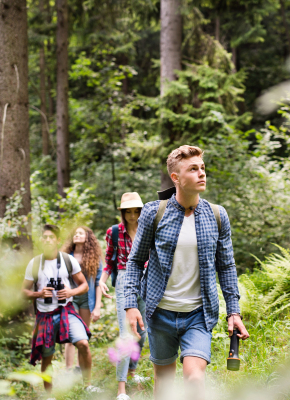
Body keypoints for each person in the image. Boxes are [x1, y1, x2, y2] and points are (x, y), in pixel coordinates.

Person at [124, 145, 250, 400]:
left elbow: (226, 266)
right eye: (193, 169)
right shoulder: (153, 212)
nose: (201, 173)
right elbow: (135, 261)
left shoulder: (216, 215)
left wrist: (233, 311)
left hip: (198, 315)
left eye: (202, 167)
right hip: (160, 313)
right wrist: (130, 305)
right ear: (176, 178)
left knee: (194, 379)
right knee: (165, 384)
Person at [22, 224, 98, 394]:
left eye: (51, 237)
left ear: (57, 240)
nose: (48, 240)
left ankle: (88, 386)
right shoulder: (34, 263)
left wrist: (70, 291)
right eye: (45, 237)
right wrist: (39, 294)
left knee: (84, 344)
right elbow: (23, 292)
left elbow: (84, 285)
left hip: (66, 311)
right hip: (45, 315)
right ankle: (49, 395)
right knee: (47, 356)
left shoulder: (67, 260)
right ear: (41, 241)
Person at [98, 192, 148, 400]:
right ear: (122, 212)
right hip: (124, 280)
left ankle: (132, 370)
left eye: (136, 211)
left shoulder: (147, 229)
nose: (133, 215)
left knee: (142, 332)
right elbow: (109, 260)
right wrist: (102, 280)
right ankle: (121, 389)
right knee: (126, 335)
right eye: (129, 211)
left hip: (146, 280)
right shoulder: (115, 232)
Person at [62, 226, 104, 371]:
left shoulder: (94, 258)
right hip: (69, 299)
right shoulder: (65, 256)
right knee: (69, 334)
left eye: (80, 233)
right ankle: (68, 370)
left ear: (88, 237)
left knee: (82, 333)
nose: (77, 235)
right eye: (75, 233)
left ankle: (79, 368)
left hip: (87, 299)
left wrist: (97, 306)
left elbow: (99, 282)